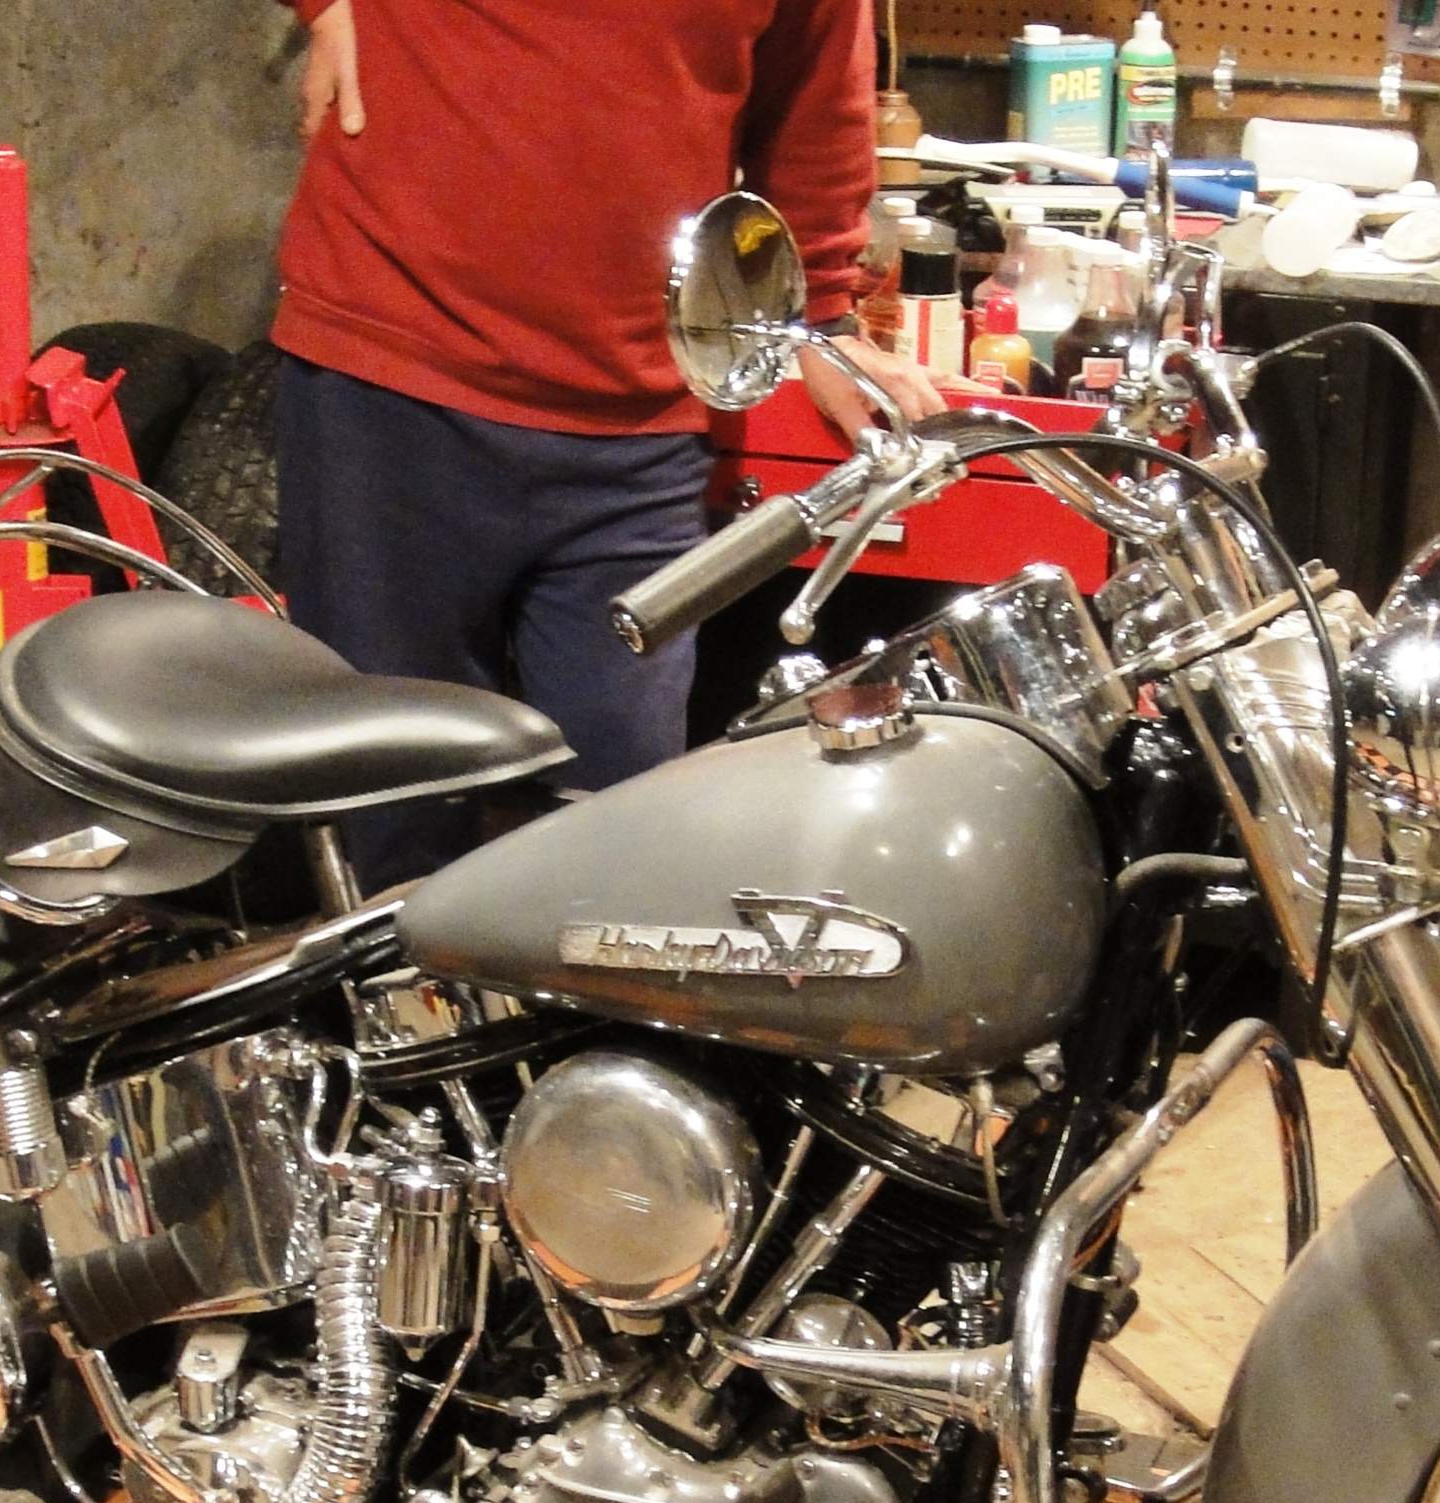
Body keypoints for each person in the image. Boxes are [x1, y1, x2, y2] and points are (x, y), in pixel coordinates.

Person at [268, 0, 951, 878]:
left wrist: (819, 312)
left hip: (637, 431)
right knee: (393, 839)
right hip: (393, 384)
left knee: (623, 853)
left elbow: (815, 101)